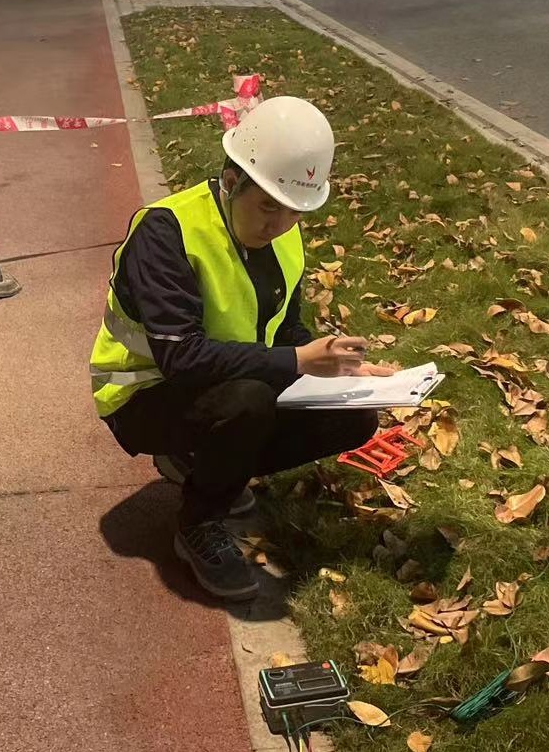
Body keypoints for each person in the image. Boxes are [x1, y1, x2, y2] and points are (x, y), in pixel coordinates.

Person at [90, 97, 391, 600]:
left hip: (224, 383)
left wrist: (342, 368)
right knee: (248, 401)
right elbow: (181, 358)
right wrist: (298, 362)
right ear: (231, 182)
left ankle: (209, 464)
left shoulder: (285, 235)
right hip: (141, 395)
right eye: (268, 206)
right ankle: (198, 521)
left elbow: (284, 331)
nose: (279, 224)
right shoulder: (166, 232)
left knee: (355, 418)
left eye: (294, 211)